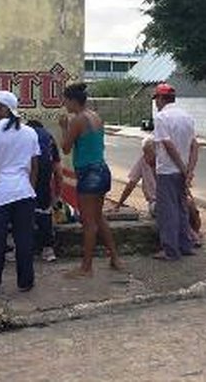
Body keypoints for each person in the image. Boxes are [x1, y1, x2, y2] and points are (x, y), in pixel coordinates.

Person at [0, 91, 38, 295]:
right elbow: (35, 164)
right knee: (24, 239)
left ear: (4, 109)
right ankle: (25, 282)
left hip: (0, 193)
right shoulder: (29, 132)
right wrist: (30, 186)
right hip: (24, 193)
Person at [58, 82, 122, 277]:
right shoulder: (95, 116)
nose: (64, 105)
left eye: (65, 101)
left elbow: (66, 148)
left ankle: (86, 268)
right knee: (98, 218)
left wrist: (64, 127)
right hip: (102, 170)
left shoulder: (78, 120)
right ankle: (114, 257)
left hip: (89, 173)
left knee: (89, 224)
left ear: (71, 100)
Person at [150, 83, 199, 261]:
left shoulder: (162, 118)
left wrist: (182, 167)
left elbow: (168, 145)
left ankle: (170, 250)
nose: (156, 103)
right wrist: (189, 170)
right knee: (182, 208)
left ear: (162, 99)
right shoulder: (187, 117)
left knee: (167, 211)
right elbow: (194, 145)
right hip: (182, 172)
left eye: (157, 99)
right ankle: (185, 245)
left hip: (168, 170)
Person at [26, 119, 62, 262]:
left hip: (24, 173)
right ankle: (48, 249)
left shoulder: (23, 133)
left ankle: (22, 248)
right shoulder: (48, 137)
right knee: (44, 210)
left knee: (22, 211)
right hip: (43, 175)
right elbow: (58, 173)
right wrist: (57, 195)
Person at [113, 136, 157, 216]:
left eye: (149, 153)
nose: (146, 156)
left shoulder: (165, 162)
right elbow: (131, 184)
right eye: (145, 153)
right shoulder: (142, 161)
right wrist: (119, 204)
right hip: (155, 203)